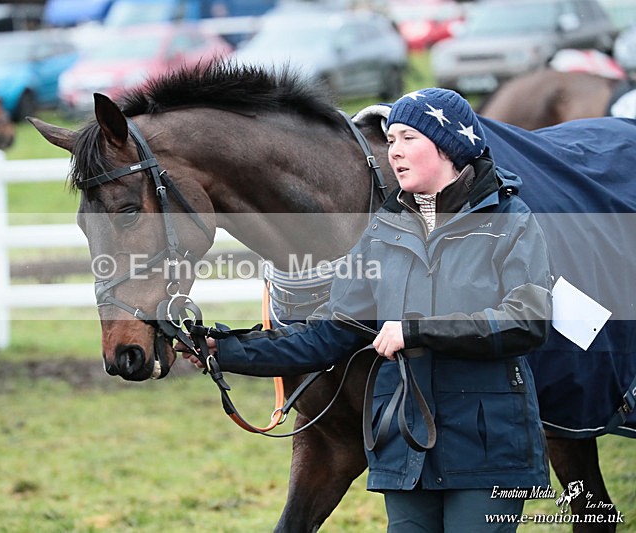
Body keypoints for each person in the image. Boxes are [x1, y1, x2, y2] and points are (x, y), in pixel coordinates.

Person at [181, 88, 553, 531]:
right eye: (391, 140)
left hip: (487, 449)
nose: (394, 151)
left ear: (449, 146)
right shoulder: (383, 232)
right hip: (405, 450)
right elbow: (327, 334)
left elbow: (526, 321)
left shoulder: (510, 219)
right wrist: (223, 349)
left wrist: (415, 332)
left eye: (409, 138)